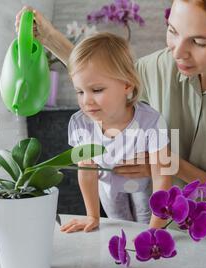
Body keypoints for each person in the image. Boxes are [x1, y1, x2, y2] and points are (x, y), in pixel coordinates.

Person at [15, 0, 206, 228]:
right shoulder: (161, 66)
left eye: (199, 42)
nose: (177, 51)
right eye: (173, 31)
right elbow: (108, 81)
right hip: (153, 235)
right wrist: (50, 39)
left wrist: (173, 165)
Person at [58, 32, 173, 233]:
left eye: (97, 90)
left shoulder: (151, 121)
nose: (86, 101)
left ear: (127, 84)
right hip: (108, 188)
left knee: (144, 223)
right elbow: (86, 171)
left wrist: (155, 231)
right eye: (80, 91)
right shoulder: (80, 124)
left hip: (144, 189)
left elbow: (162, 177)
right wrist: (92, 216)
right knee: (120, 227)